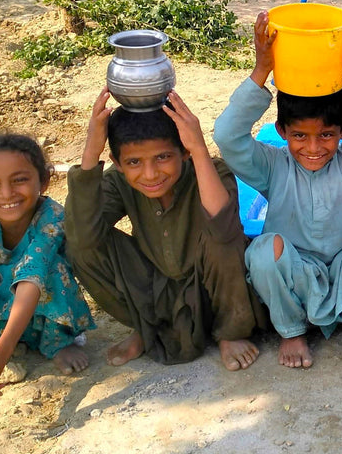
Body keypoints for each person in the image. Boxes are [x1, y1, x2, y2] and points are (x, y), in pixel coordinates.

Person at [213, 11, 342, 369]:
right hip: (297, 278)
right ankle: (292, 330)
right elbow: (227, 136)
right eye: (299, 136)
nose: (313, 148)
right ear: (281, 131)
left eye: (326, 135)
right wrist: (262, 70)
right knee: (263, 251)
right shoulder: (272, 165)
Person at [65, 89, 265, 371]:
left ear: (183, 151)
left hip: (212, 289)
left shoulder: (210, 172)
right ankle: (145, 329)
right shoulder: (118, 182)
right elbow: (83, 238)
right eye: (134, 162)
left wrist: (198, 150)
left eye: (162, 157)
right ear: (117, 162)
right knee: (80, 246)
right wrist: (90, 152)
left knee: (222, 238)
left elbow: (223, 230)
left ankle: (230, 332)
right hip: (157, 289)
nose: (150, 174)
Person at [0, 134, 93, 400]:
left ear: (43, 181)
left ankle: (57, 344)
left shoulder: (51, 217)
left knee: (52, 270)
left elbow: (32, 277)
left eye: (19, 180)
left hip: (37, 309)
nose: (7, 194)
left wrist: (1, 355)